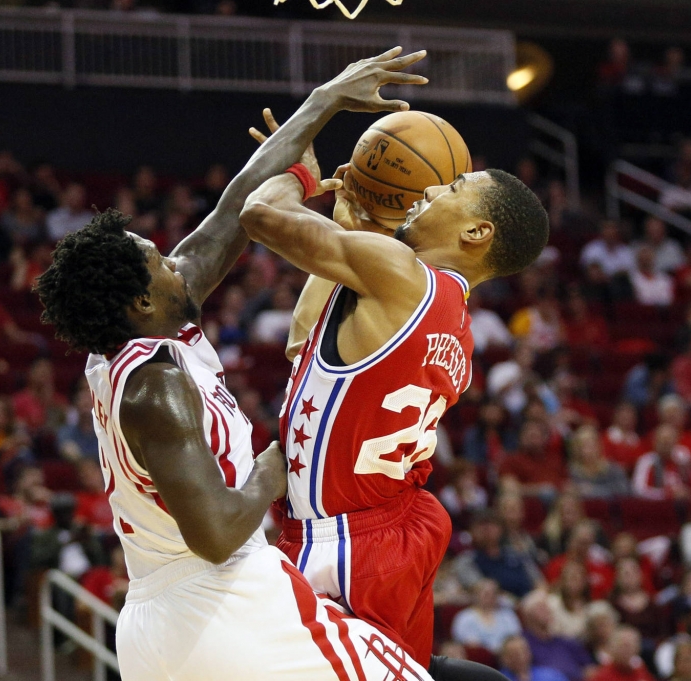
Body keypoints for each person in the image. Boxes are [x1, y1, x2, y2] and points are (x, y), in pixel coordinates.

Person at [34, 47, 474, 681]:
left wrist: (323, 106)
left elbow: (230, 215)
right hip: (222, 604)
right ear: (139, 299)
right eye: (159, 260)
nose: (176, 261)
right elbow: (215, 533)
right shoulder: (154, 384)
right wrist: (275, 467)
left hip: (168, 626)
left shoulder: (139, 338)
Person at [240, 86, 548, 671]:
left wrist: (300, 177)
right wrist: (349, 221)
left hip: (346, 546)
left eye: (453, 189)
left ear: (476, 233)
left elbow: (258, 216)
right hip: (401, 528)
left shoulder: (402, 277)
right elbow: (305, 344)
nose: (432, 188)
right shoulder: (459, 330)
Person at [519, 589, 594, 681]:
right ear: (528, 615)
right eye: (541, 608)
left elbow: (590, 668)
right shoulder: (523, 643)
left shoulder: (565, 642)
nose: (548, 611)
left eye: (548, 607)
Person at [451, 579, 523, 653]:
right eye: (486, 593)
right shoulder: (464, 618)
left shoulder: (507, 615)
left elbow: (516, 638)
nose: (491, 596)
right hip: (478, 659)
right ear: (476, 595)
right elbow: (467, 644)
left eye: (494, 593)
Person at [588, 627, 655, 681]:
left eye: (630, 646)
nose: (626, 651)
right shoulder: (602, 675)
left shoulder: (640, 669)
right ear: (612, 648)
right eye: (622, 646)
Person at [499, 635, 569, 681]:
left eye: (524, 651)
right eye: (515, 654)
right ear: (505, 659)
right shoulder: (497, 678)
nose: (521, 657)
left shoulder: (550, 674)